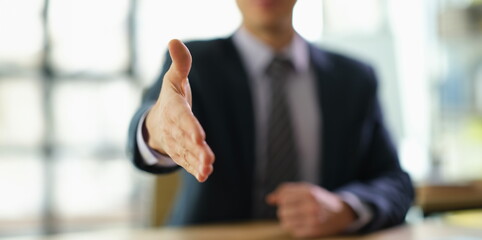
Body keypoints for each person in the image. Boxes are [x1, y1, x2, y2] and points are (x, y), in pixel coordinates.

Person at [128, 0, 414, 238]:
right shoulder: (193, 66)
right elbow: (149, 124)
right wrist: (156, 130)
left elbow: (396, 182)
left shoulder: (354, 79)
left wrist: (345, 208)